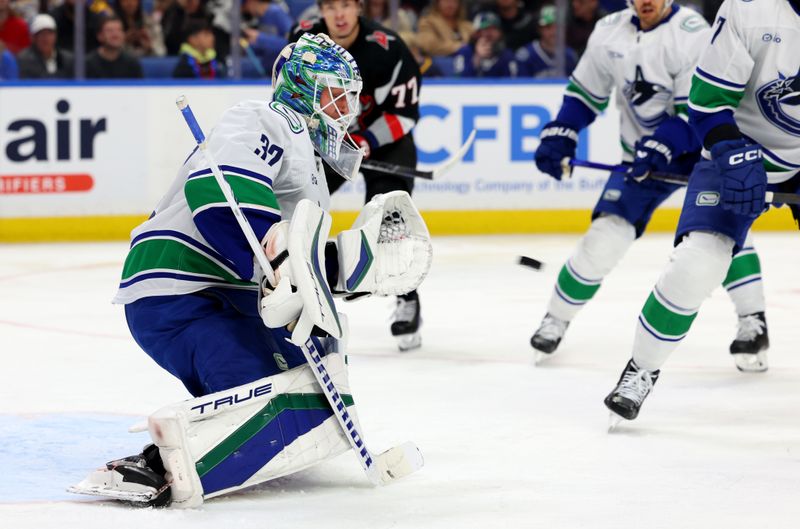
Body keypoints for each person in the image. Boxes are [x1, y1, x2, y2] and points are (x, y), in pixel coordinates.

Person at [68, 32, 431, 507]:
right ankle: (153, 463)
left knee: (312, 408)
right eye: (333, 92)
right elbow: (219, 198)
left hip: (231, 296)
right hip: (181, 288)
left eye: (349, 95)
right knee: (266, 404)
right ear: (301, 88)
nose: (345, 106)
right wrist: (280, 265)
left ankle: (206, 433)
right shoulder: (269, 118)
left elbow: (291, 258)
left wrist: (346, 266)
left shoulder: (313, 169)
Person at [530, 0, 770, 373]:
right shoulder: (609, 30)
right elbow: (583, 95)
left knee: (722, 237)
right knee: (603, 239)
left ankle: (753, 321)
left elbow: (699, 109)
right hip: (641, 161)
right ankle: (556, 318)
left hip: (701, 156)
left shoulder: (694, 33)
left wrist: (666, 143)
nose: (646, 1)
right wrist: (563, 130)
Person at [602, 0, 800, 423]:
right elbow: (707, 102)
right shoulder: (750, 9)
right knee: (697, 263)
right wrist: (731, 149)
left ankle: (752, 323)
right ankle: (642, 367)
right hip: (741, 147)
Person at [291, 0, 426, 351]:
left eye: (347, 4)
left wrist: (366, 140)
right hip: (329, 143)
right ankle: (294, 293)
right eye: (331, 5)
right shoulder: (304, 42)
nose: (339, 14)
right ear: (321, 8)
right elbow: (289, 96)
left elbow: (405, 113)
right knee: (299, 206)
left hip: (382, 142)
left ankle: (406, 296)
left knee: (389, 217)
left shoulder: (389, 49)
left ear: (359, 7)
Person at [515, 5, 578, 78]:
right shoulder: (526, 56)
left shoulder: (570, 55)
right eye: (548, 27)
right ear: (539, 29)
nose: (554, 32)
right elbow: (521, 86)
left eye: (557, 27)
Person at [453, 11, 517, 78]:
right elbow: (458, 82)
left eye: (494, 29)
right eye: (485, 29)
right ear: (476, 33)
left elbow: (513, 84)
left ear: (500, 33)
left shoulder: (507, 55)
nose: (490, 33)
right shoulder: (465, 52)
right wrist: (477, 58)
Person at [17, 13, 75, 79]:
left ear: (55, 36)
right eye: (41, 33)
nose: (46, 38)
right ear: (33, 38)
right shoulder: (24, 61)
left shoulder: (67, 60)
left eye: (49, 33)